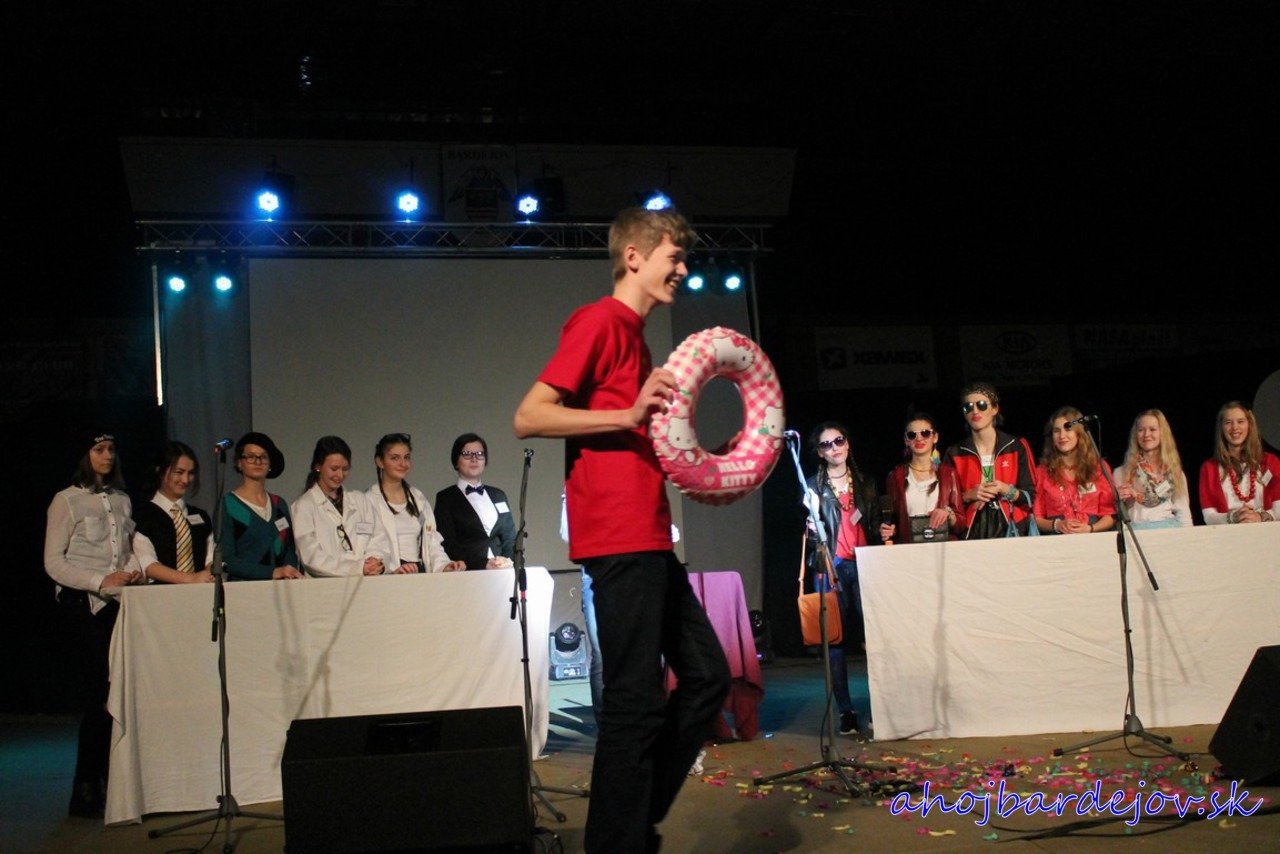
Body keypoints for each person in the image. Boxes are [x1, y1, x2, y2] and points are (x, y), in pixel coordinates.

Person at [513, 206, 729, 854]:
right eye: (674, 256)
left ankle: (627, 825)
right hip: (618, 538)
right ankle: (620, 840)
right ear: (634, 257)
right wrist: (629, 413)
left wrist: (707, 466)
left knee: (706, 675)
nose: (683, 269)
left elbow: (635, 439)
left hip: (650, 537)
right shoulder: (602, 321)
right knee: (635, 700)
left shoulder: (638, 341)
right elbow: (530, 415)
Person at [43, 432, 145, 818]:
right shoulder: (66, 501)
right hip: (82, 605)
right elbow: (54, 562)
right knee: (98, 695)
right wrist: (100, 581)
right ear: (84, 455)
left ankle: (112, 782)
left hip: (117, 604)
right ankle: (86, 788)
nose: (107, 456)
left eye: (111, 450)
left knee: (118, 694)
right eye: (99, 450)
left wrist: (131, 572)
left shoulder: (121, 499)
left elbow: (128, 549)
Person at [804, 421, 879, 736]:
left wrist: (883, 529)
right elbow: (812, 534)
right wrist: (811, 527)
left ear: (847, 443)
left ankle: (880, 706)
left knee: (874, 640)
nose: (833, 448)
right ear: (819, 452)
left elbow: (874, 523)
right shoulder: (813, 486)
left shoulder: (865, 482)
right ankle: (846, 711)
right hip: (831, 568)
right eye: (826, 444)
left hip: (865, 565)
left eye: (838, 441)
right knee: (835, 641)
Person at [943, 382, 1037, 538]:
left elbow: (1032, 498)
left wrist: (1006, 490)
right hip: (972, 533)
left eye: (981, 405)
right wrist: (968, 495)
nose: (975, 411)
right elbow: (945, 504)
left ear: (995, 409)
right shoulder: (954, 453)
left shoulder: (1016, 446)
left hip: (1013, 531)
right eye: (968, 407)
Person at [292, 436, 392, 577]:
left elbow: (379, 539)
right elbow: (311, 557)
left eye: (345, 469)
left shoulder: (360, 501)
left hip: (367, 582)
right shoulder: (304, 506)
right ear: (318, 466)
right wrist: (357, 568)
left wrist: (375, 562)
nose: (339, 475)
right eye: (334, 469)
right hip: (327, 585)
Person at [366, 433, 465, 573]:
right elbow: (370, 546)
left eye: (406, 457)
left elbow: (431, 541)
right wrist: (392, 569)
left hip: (418, 573)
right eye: (394, 458)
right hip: (388, 577)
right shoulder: (369, 500)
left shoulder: (418, 498)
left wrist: (444, 565)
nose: (403, 464)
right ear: (380, 462)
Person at [220, 432, 303, 580]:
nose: (258, 461)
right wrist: (272, 573)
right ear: (239, 463)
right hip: (243, 588)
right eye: (251, 456)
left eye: (263, 457)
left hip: (281, 587)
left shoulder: (279, 504)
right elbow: (228, 559)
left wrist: (289, 571)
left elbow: (289, 549)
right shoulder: (228, 505)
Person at [132, 440, 214, 583]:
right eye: (179, 472)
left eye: (190, 473)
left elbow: (210, 557)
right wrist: (190, 579)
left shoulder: (201, 516)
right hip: (161, 592)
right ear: (160, 471)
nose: (185, 480)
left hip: (200, 591)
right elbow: (148, 564)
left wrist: (211, 572)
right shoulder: (143, 515)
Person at [434, 433, 516, 569]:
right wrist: (482, 564)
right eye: (467, 454)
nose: (474, 459)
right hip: (469, 571)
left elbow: (510, 537)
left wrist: (508, 561)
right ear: (456, 461)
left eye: (479, 454)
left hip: (503, 569)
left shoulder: (498, 495)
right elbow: (448, 543)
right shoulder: (446, 498)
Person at [880, 412, 963, 544]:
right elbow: (894, 522)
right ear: (906, 440)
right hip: (909, 549)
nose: (919, 439)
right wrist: (889, 530)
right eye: (912, 435)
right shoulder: (896, 476)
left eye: (925, 433)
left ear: (935, 437)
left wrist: (948, 514)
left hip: (942, 548)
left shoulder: (948, 473)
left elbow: (961, 524)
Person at [1033, 406, 1116, 534]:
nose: (1062, 435)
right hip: (1057, 538)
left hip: (1093, 535)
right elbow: (1036, 517)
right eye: (1056, 431)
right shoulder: (1042, 472)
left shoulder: (1098, 467)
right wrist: (1057, 525)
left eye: (1068, 428)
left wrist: (1090, 528)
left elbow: (1110, 514)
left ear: (1079, 432)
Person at [1199, 401, 1280, 525]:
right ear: (1221, 427)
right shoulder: (1209, 468)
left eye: (1240, 422)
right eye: (1228, 422)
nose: (1235, 428)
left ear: (1249, 425)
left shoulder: (1270, 462)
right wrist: (1235, 517)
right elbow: (1209, 516)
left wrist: (1259, 517)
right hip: (1228, 533)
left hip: (1265, 531)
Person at [1113, 410, 1194, 529]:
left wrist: (1189, 536)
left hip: (1169, 529)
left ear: (1162, 433)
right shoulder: (1122, 472)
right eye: (1141, 430)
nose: (1146, 434)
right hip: (1137, 531)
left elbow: (1183, 513)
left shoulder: (1174, 473)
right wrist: (1121, 502)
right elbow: (1117, 515)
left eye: (1153, 429)